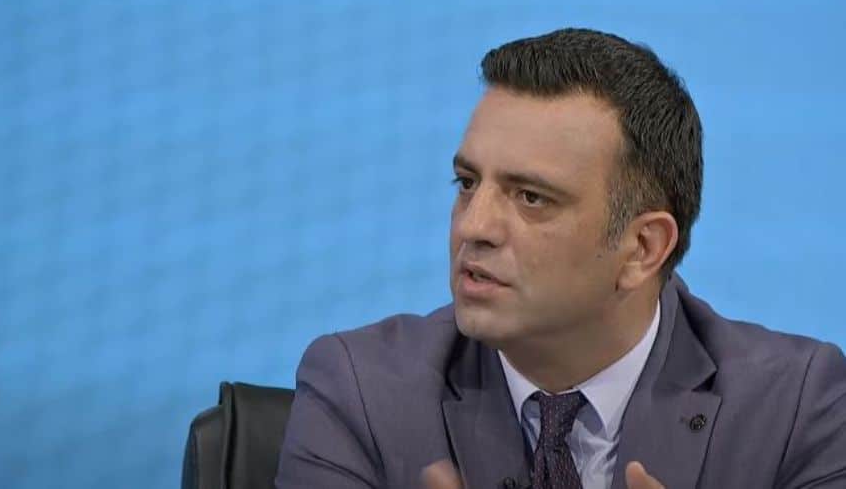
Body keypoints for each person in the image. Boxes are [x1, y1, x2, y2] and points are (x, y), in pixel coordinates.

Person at [274, 28, 846, 489]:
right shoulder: (362, 393)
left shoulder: (796, 410)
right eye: (468, 183)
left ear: (643, 248)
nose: (472, 227)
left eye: (531, 197)